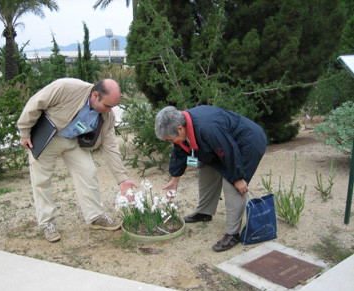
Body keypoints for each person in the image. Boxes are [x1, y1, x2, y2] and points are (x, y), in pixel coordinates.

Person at [18, 78, 136, 242]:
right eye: (107, 106)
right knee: (41, 180)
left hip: (73, 141)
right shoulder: (67, 87)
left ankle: (95, 216)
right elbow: (35, 102)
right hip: (48, 137)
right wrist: (24, 131)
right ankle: (47, 223)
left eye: (113, 107)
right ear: (95, 95)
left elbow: (110, 146)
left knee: (88, 172)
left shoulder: (107, 116)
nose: (109, 111)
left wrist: (122, 179)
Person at [155, 105, 267, 252]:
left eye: (170, 139)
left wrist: (239, 178)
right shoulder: (180, 124)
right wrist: (174, 179)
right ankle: (204, 212)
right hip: (224, 145)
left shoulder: (207, 127)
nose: (171, 142)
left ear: (180, 129)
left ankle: (233, 234)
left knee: (231, 185)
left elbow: (228, 151)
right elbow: (180, 151)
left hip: (247, 142)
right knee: (205, 170)